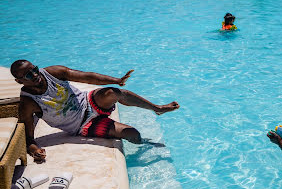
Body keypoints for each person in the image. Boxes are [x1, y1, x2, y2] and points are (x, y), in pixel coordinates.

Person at [10, 60, 180, 163]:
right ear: (19, 81)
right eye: (29, 75)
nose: (35, 74)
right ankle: (146, 145)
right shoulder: (28, 102)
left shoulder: (53, 72)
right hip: (83, 125)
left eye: (34, 69)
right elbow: (28, 136)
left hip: (89, 101)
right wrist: (33, 150)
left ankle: (157, 109)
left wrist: (117, 80)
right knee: (132, 134)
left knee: (113, 92)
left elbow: (87, 77)